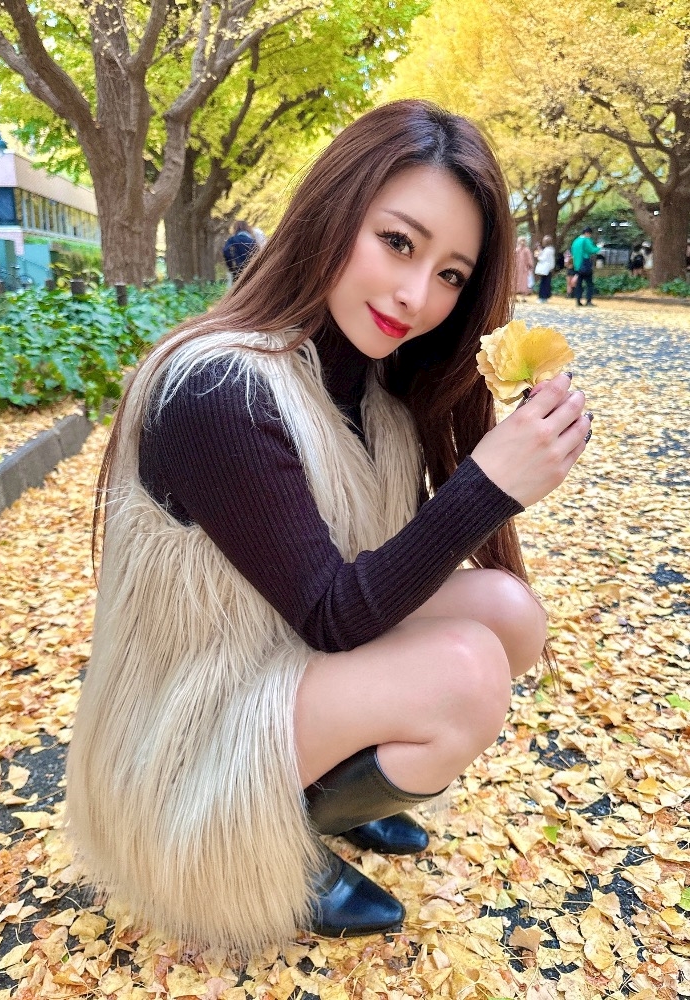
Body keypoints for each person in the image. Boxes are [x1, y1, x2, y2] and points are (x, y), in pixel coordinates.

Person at [66, 100, 591, 955]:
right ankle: (252, 842)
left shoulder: (378, 394)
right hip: (187, 735)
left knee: (509, 614)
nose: (416, 296)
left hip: (279, 662)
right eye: (398, 242)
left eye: (451, 275)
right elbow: (332, 613)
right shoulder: (218, 388)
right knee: (464, 677)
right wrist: (487, 488)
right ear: (332, 208)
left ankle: (326, 791)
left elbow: (372, 578)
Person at [571, 226, 600, 306]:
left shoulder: (576, 241)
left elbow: (572, 251)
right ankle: (588, 301)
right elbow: (591, 250)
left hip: (577, 264)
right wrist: (599, 247)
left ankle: (578, 301)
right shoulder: (586, 240)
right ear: (587, 233)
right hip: (585, 263)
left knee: (579, 284)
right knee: (589, 284)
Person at [534, 235, 556, 302]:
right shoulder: (551, 249)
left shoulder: (547, 250)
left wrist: (537, 256)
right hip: (549, 268)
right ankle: (545, 297)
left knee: (543, 283)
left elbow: (543, 258)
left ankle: (542, 297)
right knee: (546, 282)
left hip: (545, 269)